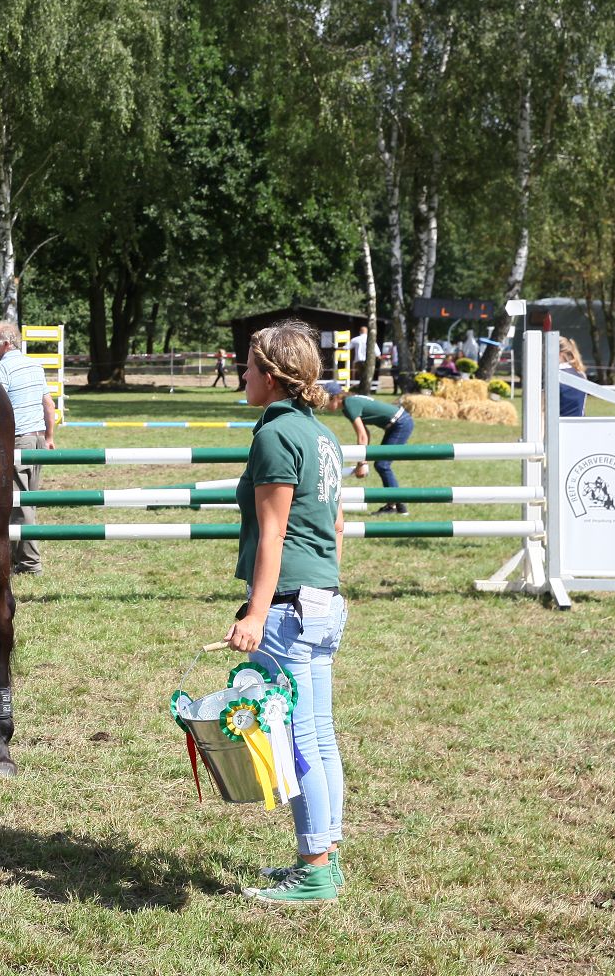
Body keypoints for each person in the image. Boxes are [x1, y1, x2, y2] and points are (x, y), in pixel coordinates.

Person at [228, 320, 347, 903]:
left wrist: (255, 613)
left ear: (271, 377)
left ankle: (315, 868)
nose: (242, 375)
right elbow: (337, 526)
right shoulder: (323, 435)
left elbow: (272, 535)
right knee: (320, 738)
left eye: (248, 367)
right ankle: (326, 853)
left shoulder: (273, 436)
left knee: (298, 742)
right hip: (323, 599)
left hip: (289, 605)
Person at [0, 321, 57, 575]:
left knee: (19, 504)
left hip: (18, 441)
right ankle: (21, 559)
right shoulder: (34, 365)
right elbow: (48, 404)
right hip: (37, 439)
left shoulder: (2, 370)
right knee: (29, 501)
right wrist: (49, 437)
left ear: (5, 343)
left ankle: (29, 564)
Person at [321, 381, 414, 514]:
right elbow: (366, 433)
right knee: (381, 464)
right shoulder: (349, 404)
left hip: (401, 423)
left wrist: (362, 463)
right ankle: (395, 505)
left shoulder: (349, 404)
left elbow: (362, 436)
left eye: (325, 401)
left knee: (382, 465)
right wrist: (363, 460)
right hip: (396, 423)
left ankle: (396, 506)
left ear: (335, 397)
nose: (323, 406)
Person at [559, 337, 588, 417]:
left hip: (558, 427)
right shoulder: (581, 374)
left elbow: (542, 410)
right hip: (580, 425)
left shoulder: (553, 377)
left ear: (560, 354)